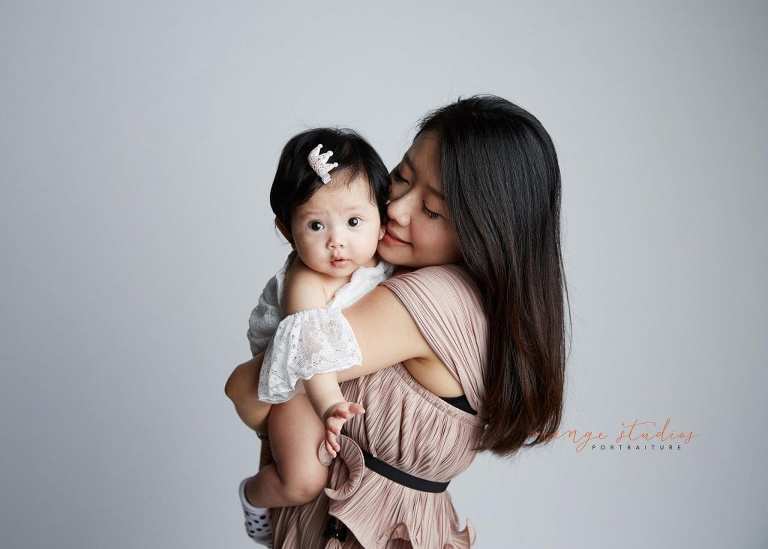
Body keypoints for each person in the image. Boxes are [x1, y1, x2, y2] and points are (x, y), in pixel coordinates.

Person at [225, 94, 570, 548]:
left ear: (487, 231)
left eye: (432, 210)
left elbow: (248, 390)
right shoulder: (482, 302)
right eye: (400, 179)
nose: (397, 209)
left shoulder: (423, 300)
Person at [238, 127, 395, 545]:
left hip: (328, 379)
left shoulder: (383, 260)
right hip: (295, 382)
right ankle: (254, 495)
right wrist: (329, 407)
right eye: (315, 225)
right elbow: (308, 349)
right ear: (287, 230)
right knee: (303, 481)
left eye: (353, 221)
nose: (337, 241)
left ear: (383, 219)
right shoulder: (307, 281)